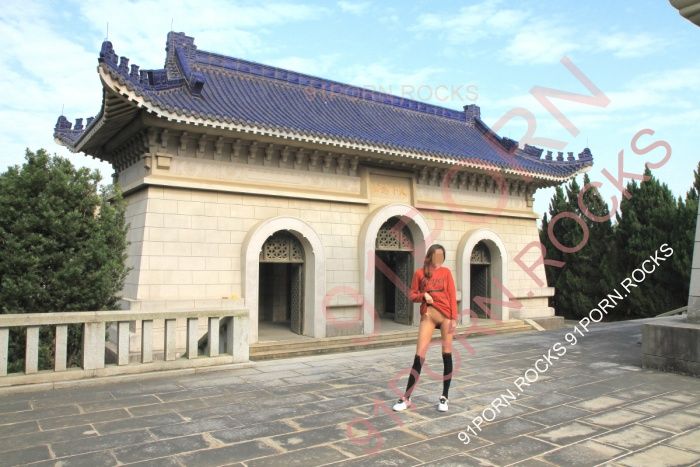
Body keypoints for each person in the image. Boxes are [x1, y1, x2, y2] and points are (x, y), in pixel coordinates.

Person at [392, 243, 458, 412]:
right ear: (430, 256)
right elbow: (412, 294)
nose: (439, 259)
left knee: (447, 354)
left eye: (442, 256)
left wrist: (454, 319)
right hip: (428, 316)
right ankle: (406, 398)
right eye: (436, 256)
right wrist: (424, 295)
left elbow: (452, 295)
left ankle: (444, 397)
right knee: (419, 356)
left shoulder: (446, 272)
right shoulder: (419, 273)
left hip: (446, 317)